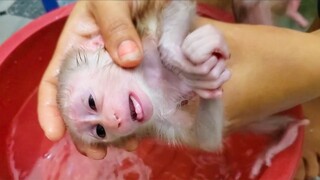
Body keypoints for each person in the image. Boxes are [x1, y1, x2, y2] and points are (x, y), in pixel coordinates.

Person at [37, 1, 320, 178]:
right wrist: (211, 99)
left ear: (98, 45)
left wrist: (171, 46)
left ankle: (310, 99)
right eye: (99, 131)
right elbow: (209, 138)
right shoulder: (165, 120)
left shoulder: (144, 34)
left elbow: (181, 5)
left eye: (91, 102)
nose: (112, 121)